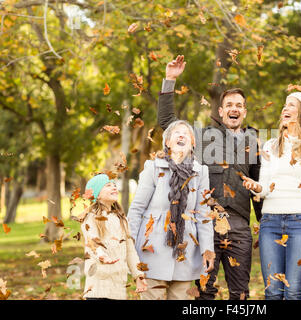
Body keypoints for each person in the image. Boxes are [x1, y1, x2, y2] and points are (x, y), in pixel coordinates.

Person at [157, 55, 263, 300]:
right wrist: (170, 80)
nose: (234, 109)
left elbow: (259, 189)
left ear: (244, 111)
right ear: (221, 110)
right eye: (229, 105)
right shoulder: (203, 138)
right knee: (205, 291)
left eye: (239, 105)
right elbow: (167, 123)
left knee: (240, 293)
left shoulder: (253, 143)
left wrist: (264, 223)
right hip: (206, 225)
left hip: (239, 226)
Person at [241, 91, 301, 300]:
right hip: (270, 222)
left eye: (291, 105)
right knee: (272, 291)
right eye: (284, 104)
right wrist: (255, 187)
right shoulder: (271, 146)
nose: (284, 108)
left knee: (292, 291)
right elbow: (265, 188)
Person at [127, 120, 215, 300]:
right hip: (151, 249)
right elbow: (136, 210)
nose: (181, 135)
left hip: (185, 250)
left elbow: (204, 214)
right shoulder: (153, 167)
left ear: (193, 143)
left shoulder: (200, 172)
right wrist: (129, 247)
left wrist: (207, 250)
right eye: (176, 132)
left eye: (186, 133)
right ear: (167, 142)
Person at [80, 174, 147, 300]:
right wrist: (100, 253)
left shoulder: (122, 219)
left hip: (118, 289)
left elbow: (130, 251)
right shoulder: (90, 217)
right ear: (97, 195)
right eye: (108, 185)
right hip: (98, 287)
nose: (114, 187)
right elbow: (92, 239)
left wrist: (139, 276)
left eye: (115, 185)